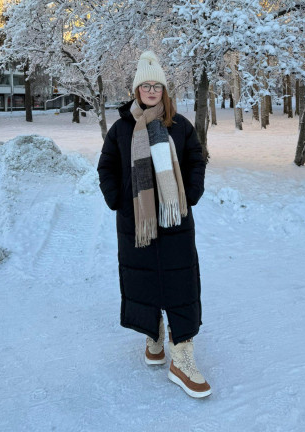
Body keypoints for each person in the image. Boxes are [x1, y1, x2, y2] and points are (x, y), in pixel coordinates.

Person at [97, 50, 211, 398]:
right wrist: (118, 199)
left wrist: (190, 193)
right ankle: (154, 335)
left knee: (180, 283)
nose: (150, 91)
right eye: (144, 86)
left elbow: (196, 158)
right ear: (136, 90)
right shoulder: (121, 129)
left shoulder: (180, 126)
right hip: (138, 220)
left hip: (175, 219)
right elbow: (106, 166)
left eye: (156, 86)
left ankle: (182, 355)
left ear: (164, 90)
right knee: (144, 280)